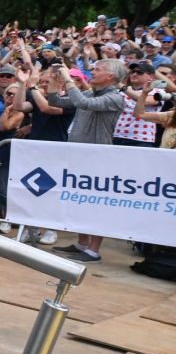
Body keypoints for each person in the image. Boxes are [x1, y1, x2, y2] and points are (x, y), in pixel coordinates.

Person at [43, 59, 127, 262]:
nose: (93, 72)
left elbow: (83, 103)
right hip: (79, 154)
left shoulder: (115, 97)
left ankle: (93, 250)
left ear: (110, 76)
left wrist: (67, 78)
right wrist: (54, 80)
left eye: (98, 69)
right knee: (78, 200)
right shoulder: (91, 93)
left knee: (97, 204)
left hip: (98, 156)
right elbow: (56, 101)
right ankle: (82, 243)